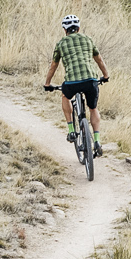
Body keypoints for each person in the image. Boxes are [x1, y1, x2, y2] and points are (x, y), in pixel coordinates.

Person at [42, 15, 109, 157]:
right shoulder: (87, 39)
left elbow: (53, 65)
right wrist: (105, 75)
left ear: (64, 30)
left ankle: (71, 130)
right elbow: (99, 60)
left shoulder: (61, 43)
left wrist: (47, 83)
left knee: (65, 96)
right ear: (78, 28)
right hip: (91, 80)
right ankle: (97, 140)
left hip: (72, 83)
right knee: (93, 108)